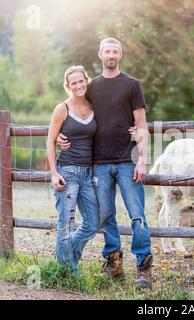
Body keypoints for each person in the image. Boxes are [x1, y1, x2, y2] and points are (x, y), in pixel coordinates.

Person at [57, 38, 152, 288]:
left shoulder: (133, 85)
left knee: (137, 215)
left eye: (115, 51)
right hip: (98, 164)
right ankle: (113, 263)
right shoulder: (91, 87)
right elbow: (71, 109)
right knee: (106, 216)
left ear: (120, 54)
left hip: (127, 161)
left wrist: (142, 160)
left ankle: (143, 266)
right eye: (107, 51)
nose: (111, 54)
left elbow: (141, 125)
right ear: (100, 54)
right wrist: (57, 134)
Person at [47, 65, 99, 274]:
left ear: (87, 81)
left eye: (81, 81)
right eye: (73, 83)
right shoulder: (63, 108)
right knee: (65, 223)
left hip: (88, 174)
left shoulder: (94, 106)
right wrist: (53, 173)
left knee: (93, 223)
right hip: (66, 172)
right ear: (68, 86)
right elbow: (50, 141)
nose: (78, 86)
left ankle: (67, 261)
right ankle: (67, 270)